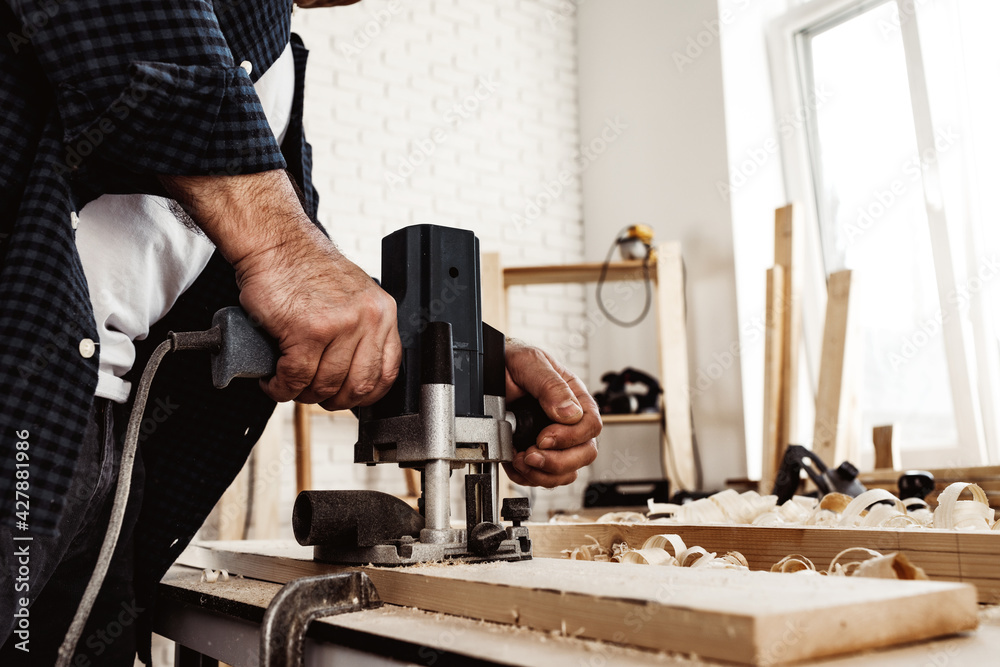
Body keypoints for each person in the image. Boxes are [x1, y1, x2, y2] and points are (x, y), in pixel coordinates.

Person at [0, 0, 600, 664]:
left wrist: (472, 372)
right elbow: (283, 260)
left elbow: (290, 306)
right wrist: (281, 244)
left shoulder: (268, 58)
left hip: (98, 438)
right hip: (27, 407)